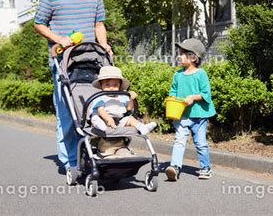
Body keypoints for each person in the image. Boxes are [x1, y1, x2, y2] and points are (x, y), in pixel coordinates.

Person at [33, 0, 113, 177]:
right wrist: (60, 39)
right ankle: (70, 162)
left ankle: (86, 155)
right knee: (68, 113)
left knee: (92, 109)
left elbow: (99, 24)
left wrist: (104, 45)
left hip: (90, 60)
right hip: (63, 61)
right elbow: (39, 24)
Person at [165, 38, 216, 181]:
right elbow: (173, 92)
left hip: (199, 116)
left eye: (182, 53)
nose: (178, 56)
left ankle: (205, 168)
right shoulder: (177, 75)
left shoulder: (201, 74)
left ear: (193, 57)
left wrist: (193, 97)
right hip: (182, 115)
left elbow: (206, 94)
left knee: (200, 143)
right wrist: (172, 103)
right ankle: (174, 167)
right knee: (179, 140)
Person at [89, 66, 157, 135]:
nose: (111, 88)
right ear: (101, 85)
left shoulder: (122, 96)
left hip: (118, 121)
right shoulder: (100, 96)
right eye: (107, 85)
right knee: (95, 118)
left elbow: (129, 108)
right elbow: (100, 110)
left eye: (115, 85)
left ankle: (142, 127)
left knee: (130, 119)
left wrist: (131, 99)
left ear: (120, 85)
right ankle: (101, 127)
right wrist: (109, 119)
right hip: (103, 119)